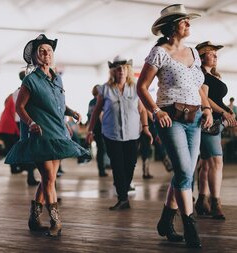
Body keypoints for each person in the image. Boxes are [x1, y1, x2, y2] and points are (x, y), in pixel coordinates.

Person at [136, 4, 213, 248]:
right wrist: (156, 112)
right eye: (184, 21)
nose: (189, 24)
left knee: (186, 173)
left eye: (189, 21)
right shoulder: (159, 52)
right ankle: (190, 226)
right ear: (172, 28)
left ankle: (166, 221)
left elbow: (198, 87)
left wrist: (208, 108)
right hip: (170, 117)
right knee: (183, 172)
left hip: (196, 118)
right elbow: (141, 87)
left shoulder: (192, 52)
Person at [5, 34, 90, 237]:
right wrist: (31, 123)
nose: (46, 54)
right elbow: (20, 107)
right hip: (40, 136)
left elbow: (57, 104)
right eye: (42, 51)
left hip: (58, 134)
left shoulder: (57, 77)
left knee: (47, 180)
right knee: (49, 177)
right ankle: (56, 221)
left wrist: (71, 112)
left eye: (49, 51)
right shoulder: (31, 80)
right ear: (35, 56)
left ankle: (34, 220)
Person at [86, 56, 152, 210]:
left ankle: (123, 187)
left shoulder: (136, 88)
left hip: (132, 134)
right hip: (111, 134)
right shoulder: (105, 89)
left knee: (130, 164)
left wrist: (146, 127)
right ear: (113, 72)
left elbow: (142, 110)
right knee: (117, 165)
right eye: (117, 68)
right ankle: (123, 198)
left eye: (124, 67)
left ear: (128, 70)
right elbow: (96, 111)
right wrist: (90, 130)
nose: (121, 70)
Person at [194, 41, 236, 219]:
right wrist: (224, 112)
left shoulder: (214, 76)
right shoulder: (201, 76)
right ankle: (215, 203)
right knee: (216, 162)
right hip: (208, 121)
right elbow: (205, 100)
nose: (215, 56)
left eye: (215, 53)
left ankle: (202, 200)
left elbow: (216, 98)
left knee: (206, 163)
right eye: (211, 53)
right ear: (202, 57)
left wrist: (228, 110)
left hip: (215, 121)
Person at [87, 85, 108, 177]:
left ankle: (101, 169)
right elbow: (101, 115)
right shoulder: (100, 100)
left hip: (94, 128)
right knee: (102, 149)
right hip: (101, 128)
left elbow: (89, 115)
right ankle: (102, 169)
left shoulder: (91, 102)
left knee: (100, 148)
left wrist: (89, 130)